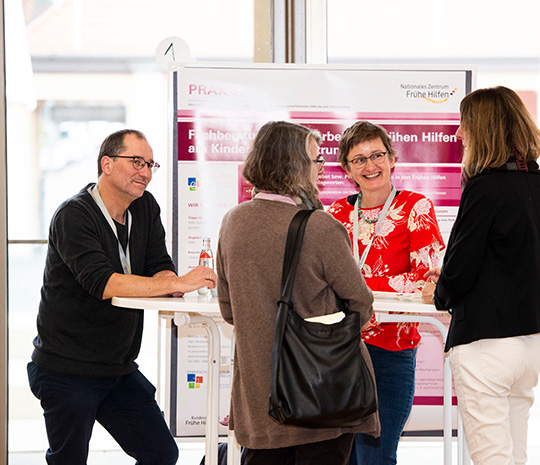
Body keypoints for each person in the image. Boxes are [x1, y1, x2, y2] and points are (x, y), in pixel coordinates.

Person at [27, 129, 217, 465]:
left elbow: (159, 265)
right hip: (67, 369)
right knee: (68, 460)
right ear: (107, 164)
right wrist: (180, 282)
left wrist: (174, 283)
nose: (145, 172)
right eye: (136, 162)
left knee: (161, 453)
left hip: (118, 369)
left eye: (150, 165)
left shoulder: (144, 207)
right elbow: (105, 283)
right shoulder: (73, 215)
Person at [422, 86, 540, 465]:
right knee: (513, 454)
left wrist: (437, 292)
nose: (459, 134)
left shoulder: (485, 188)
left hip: (487, 344)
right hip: (529, 343)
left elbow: (460, 268)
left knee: (492, 457)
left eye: (464, 125)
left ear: (483, 129)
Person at [215, 121, 379, 465]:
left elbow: (230, 310)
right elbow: (361, 304)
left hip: (261, 400)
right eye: (316, 161)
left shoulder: (233, 222)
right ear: (294, 165)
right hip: (319, 400)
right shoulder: (320, 226)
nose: (320, 170)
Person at [327, 120, 445, 464]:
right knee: (338, 456)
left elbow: (425, 280)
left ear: (392, 158)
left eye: (377, 155)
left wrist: (352, 286)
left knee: (376, 456)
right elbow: (319, 279)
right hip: (337, 351)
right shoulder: (334, 214)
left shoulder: (415, 207)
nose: (370, 166)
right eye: (358, 159)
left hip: (389, 350)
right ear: (347, 169)